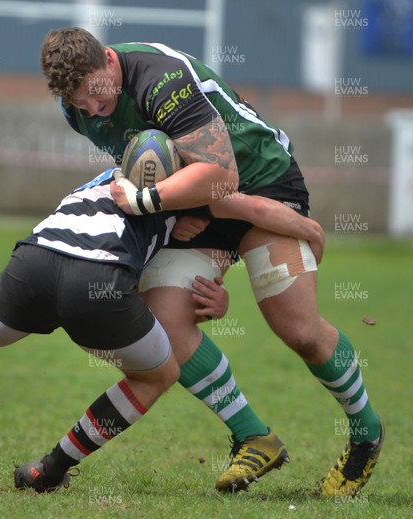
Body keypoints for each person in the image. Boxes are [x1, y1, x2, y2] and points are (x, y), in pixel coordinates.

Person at [40, 27, 383, 497]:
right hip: (201, 207)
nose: (94, 111)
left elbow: (222, 175)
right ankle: (253, 436)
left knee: (299, 329)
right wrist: (174, 209)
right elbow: (156, 164)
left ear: (109, 59)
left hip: (262, 185)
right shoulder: (77, 109)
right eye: (82, 105)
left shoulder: (161, 79)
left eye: (99, 97)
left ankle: (366, 433)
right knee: (164, 321)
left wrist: (151, 203)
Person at [0, 167, 321, 491]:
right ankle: (52, 470)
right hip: (98, 285)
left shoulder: (106, 174)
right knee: (158, 374)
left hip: (35, 264)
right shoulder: (186, 189)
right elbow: (254, 211)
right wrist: (310, 231)